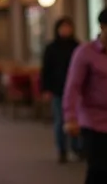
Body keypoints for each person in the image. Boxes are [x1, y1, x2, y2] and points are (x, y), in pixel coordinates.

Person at [63, 7, 107, 184]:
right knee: (98, 172)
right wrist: (70, 117)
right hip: (95, 123)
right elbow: (73, 87)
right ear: (102, 27)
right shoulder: (85, 52)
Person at [41, 17, 82, 163]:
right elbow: (46, 69)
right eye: (63, 27)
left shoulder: (77, 47)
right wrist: (45, 89)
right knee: (60, 120)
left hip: (76, 90)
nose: (65, 30)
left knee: (77, 119)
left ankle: (77, 148)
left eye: (68, 27)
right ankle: (62, 149)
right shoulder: (51, 48)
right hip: (57, 89)